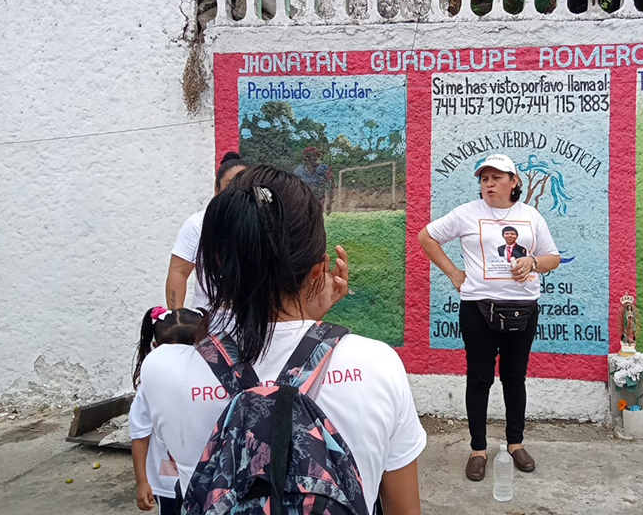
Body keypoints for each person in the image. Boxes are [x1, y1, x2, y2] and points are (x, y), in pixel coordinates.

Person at [137, 165, 425, 514]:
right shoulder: (378, 365)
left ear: (216, 263)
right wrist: (312, 318)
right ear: (319, 269)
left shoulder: (161, 370)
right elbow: (402, 509)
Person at [417, 153, 560, 481]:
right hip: (478, 308)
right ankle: (478, 449)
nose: (489, 184)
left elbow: (552, 257)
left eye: (496, 178)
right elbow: (427, 236)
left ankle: (515, 443)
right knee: (479, 378)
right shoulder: (467, 213)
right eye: (484, 179)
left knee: (515, 377)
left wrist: (533, 263)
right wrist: (454, 274)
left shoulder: (531, 216)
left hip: (523, 308)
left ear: (514, 182)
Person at [129, 306, 208, 514]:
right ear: (156, 348)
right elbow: (139, 433)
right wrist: (142, 482)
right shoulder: (150, 384)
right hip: (168, 483)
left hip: (208, 480)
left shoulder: (215, 381)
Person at [164, 151, 251, 309]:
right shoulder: (198, 224)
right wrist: (176, 318)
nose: (238, 190)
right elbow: (178, 273)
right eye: (230, 184)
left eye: (245, 184)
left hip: (255, 323)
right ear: (216, 190)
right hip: (208, 324)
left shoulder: (266, 223)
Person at [294, 146, 333, 214]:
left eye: (312, 156)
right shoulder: (299, 171)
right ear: (304, 158)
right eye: (307, 156)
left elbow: (331, 185)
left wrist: (330, 203)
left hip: (317, 200)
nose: (309, 159)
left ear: (316, 157)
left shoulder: (323, 169)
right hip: (302, 201)